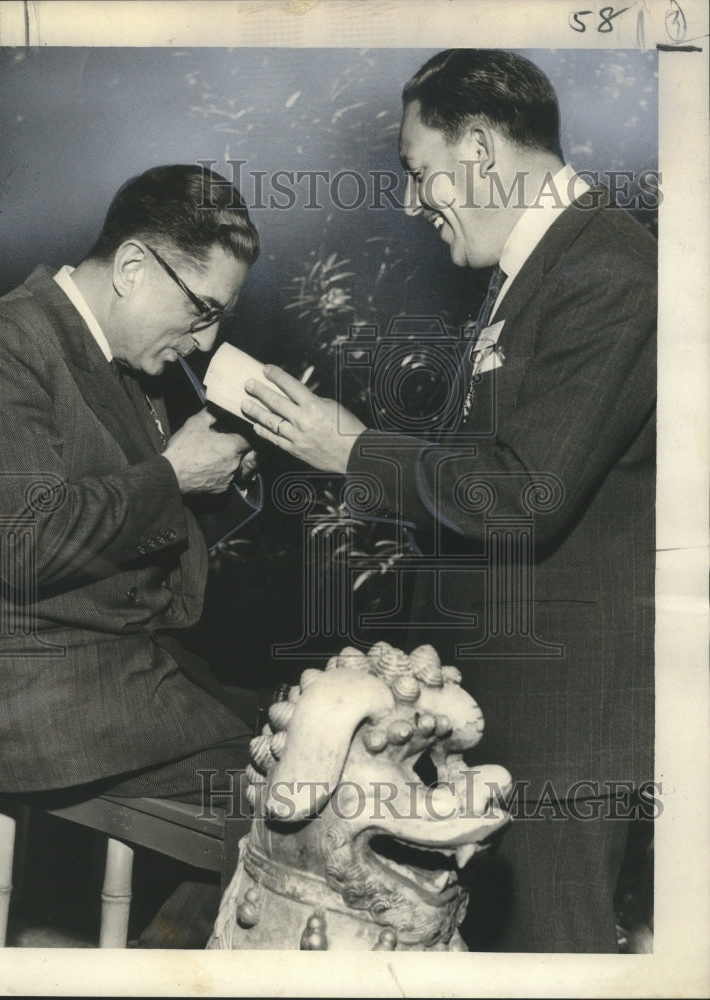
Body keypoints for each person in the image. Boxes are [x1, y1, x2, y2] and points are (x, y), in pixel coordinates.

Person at [241, 49, 656, 952]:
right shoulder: (530, 272)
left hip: (571, 714)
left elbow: (521, 498)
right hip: (515, 690)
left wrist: (351, 449)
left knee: (555, 952)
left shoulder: (611, 270)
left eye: (418, 171)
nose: (410, 200)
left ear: (478, 148)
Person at [0, 164, 262, 947]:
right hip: (28, 694)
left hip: (108, 670)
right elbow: (27, 543)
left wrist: (212, 480)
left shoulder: (125, 365)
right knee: (292, 795)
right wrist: (172, 474)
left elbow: (145, 550)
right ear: (133, 268)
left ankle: (168, 960)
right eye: (202, 309)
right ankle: (176, 965)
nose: (208, 339)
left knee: (295, 743)